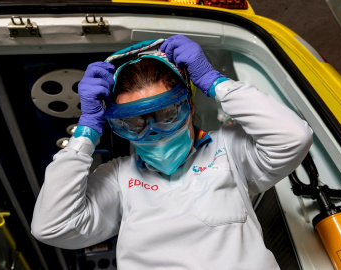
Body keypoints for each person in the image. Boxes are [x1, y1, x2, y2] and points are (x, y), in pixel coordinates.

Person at [31, 35, 313, 269]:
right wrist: (87, 130)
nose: (152, 130)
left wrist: (214, 82)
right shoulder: (118, 177)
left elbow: (293, 138)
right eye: (133, 122)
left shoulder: (228, 149)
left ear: (189, 104)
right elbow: (52, 226)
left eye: (166, 113)